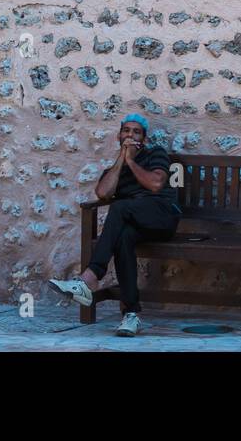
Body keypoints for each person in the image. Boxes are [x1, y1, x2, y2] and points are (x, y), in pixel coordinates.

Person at [50, 113, 181, 336]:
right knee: (123, 238)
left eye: (136, 132)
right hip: (137, 224)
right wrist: (122, 160)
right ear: (119, 136)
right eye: (126, 131)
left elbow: (156, 184)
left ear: (144, 139)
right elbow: (102, 193)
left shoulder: (155, 154)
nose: (130, 135)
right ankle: (131, 315)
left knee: (119, 207)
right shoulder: (114, 170)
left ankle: (90, 278)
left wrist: (131, 160)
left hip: (162, 215)